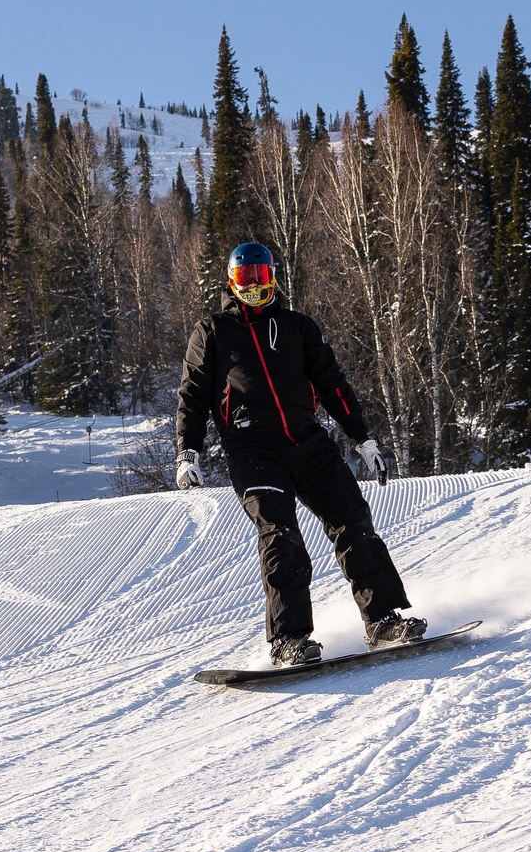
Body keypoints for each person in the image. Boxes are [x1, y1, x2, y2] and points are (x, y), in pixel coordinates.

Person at [176, 240, 423, 666]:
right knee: (281, 533)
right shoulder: (213, 331)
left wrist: (362, 439)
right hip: (253, 449)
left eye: (261, 277)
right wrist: (187, 453)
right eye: (244, 279)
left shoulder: (297, 327)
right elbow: (193, 396)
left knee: (352, 520)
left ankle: (383, 620)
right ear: (232, 283)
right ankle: (289, 640)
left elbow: (332, 384)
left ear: (273, 277)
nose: (254, 286)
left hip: (308, 441)